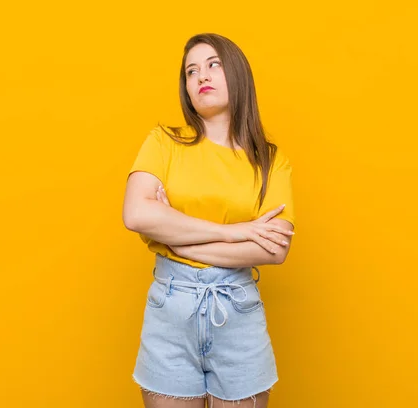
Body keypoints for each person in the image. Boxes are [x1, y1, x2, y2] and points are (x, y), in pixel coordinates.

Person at [122, 33, 295, 408]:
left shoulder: (269, 160)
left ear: (237, 73)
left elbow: (275, 248)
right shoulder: (164, 142)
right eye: (191, 71)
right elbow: (136, 214)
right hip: (169, 311)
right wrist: (236, 232)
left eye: (213, 64)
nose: (202, 76)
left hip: (238, 310)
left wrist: (176, 236)